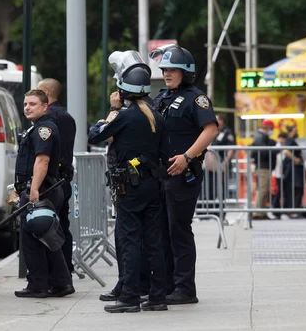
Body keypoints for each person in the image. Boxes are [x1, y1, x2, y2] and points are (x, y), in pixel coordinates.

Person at [89, 50, 169, 313]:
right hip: (152, 186)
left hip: (130, 189)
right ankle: (157, 297)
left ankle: (130, 297)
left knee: (130, 241)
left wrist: (112, 110)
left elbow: (95, 135)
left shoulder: (125, 116)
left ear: (123, 90)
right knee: (154, 241)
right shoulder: (156, 116)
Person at [150, 45, 218, 305]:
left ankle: (185, 288)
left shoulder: (196, 98)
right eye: (165, 69)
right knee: (163, 231)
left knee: (178, 230)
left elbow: (210, 130)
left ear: (186, 72)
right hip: (162, 174)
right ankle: (168, 285)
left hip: (183, 173)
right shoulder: (163, 97)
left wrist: (187, 157)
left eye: (173, 70)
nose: (167, 74)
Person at [13, 89, 74, 298]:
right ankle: (62, 283)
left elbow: (43, 160)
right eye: (25, 104)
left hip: (42, 190)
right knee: (47, 237)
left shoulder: (43, 129)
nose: (27, 108)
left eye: (32, 104)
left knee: (32, 240)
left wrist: (34, 189)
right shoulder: (39, 127)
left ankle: (38, 285)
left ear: (45, 106)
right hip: (45, 189)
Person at [37, 78, 77, 274]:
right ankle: (65, 270)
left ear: (46, 92)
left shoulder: (49, 117)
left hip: (51, 181)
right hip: (63, 179)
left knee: (48, 227)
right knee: (62, 226)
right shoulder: (67, 116)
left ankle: (56, 273)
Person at [251, 119, 277, 220]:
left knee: (264, 190)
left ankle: (262, 211)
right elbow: (264, 152)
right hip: (263, 166)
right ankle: (258, 212)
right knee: (262, 189)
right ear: (267, 128)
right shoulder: (259, 137)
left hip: (265, 166)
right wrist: (274, 149)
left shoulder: (261, 137)